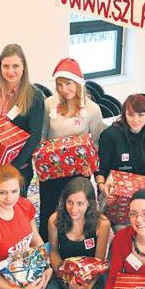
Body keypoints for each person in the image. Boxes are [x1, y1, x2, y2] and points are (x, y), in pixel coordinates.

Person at [39, 58, 105, 241]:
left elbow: (96, 142)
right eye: (59, 84)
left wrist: (91, 166)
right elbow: (43, 135)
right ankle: (48, 243)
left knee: (75, 211)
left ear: (78, 83)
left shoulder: (92, 110)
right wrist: (42, 161)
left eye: (68, 84)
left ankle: (71, 245)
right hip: (52, 169)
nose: (64, 89)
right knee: (49, 207)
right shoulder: (49, 104)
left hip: (78, 171)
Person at [48, 177, 111, 289]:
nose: (74, 209)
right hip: (64, 270)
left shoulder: (102, 224)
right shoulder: (55, 220)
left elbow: (99, 261)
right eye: (70, 202)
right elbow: (54, 251)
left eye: (80, 203)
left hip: (91, 273)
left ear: (89, 203)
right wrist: (64, 275)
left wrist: (90, 284)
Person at [0, 43, 45, 197]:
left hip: (18, 168)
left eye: (15, 66)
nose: (10, 71)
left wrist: (13, 168)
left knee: (14, 208)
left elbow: (34, 137)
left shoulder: (35, 96)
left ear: (24, 67)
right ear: (0, 67)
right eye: (6, 66)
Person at [96, 94, 145, 228]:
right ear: (124, 114)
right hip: (114, 196)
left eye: (141, 115)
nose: (135, 120)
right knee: (116, 231)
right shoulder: (110, 135)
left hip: (141, 198)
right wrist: (102, 186)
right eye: (131, 115)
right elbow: (100, 169)